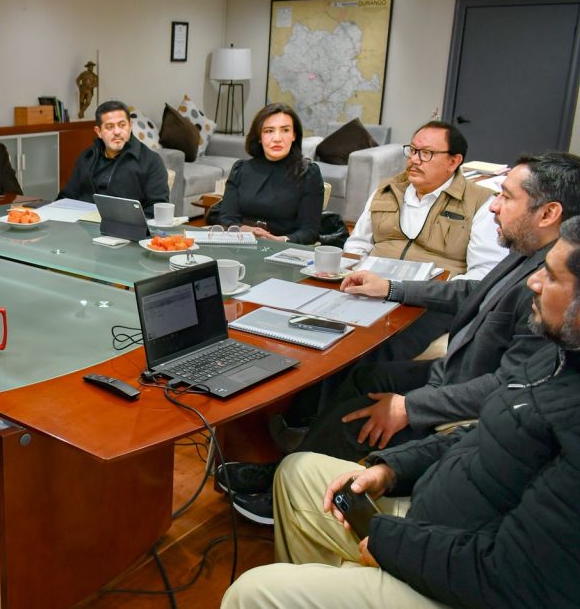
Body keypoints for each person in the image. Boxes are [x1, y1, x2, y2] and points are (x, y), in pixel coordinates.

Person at [220, 217, 580, 609]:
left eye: (551, 277)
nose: (534, 282)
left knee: (249, 592)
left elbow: (512, 577)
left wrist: (393, 545)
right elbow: (482, 436)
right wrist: (390, 468)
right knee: (298, 469)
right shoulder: (554, 361)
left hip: (448, 563)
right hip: (432, 514)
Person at [219, 152, 580, 524]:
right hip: (456, 372)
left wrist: (409, 406)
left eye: (506, 196)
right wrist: (393, 288)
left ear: (548, 213)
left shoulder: (555, 290)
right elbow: (474, 291)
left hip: (465, 399)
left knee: (356, 417)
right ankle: (287, 465)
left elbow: (506, 388)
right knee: (364, 375)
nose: (493, 206)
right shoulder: (531, 252)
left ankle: (285, 496)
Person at [341, 120, 507, 363]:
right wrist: (355, 272)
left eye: (426, 153)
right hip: (370, 289)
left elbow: (484, 275)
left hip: (429, 303)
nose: (414, 160)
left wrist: (420, 291)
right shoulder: (386, 191)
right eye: (413, 150)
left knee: (375, 350)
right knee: (325, 332)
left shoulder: (480, 203)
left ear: (453, 161)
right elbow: (357, 244)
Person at [215, 103, 324, 244]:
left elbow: (309, 231)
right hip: (242, 244)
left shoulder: (309, 174)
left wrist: (279, 240)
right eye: (269, 131)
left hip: (285, 248)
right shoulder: (240, 169)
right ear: (259, 137)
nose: (277, 138)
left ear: (294, 135)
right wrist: (247, 231)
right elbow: (226, 219)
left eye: (285, 130)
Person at [58, 99, 169, 216]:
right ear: (98, 132)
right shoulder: (87, 157)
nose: (117, 132)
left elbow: (157, 209)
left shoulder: (151, 161)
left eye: (122, 125)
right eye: (109, 127)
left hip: (127, 225)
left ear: (130, 126)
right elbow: (67, 197)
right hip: (83, 221)